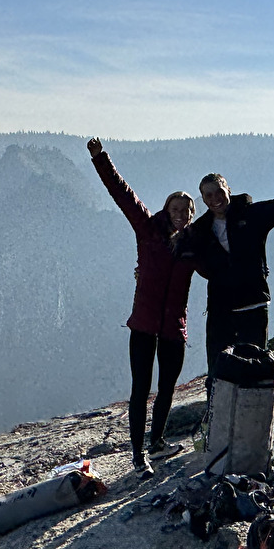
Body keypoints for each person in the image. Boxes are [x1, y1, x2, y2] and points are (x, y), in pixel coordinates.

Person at [88, 138, 197, 477]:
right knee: (140, 389)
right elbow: (122, 193)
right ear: (166, 210)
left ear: (192, 215)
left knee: (167, 388)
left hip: (174, 328)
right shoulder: (147, 229)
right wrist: (100, 158)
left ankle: (158, 442)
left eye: (186, 210)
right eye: (175, 209)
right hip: (144, 325)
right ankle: (138, 455)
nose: (179, 214)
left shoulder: (194, 245)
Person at [181, 142, 274, 394]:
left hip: (253, 306)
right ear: (202, 199)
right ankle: (215, 421)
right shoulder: (200, 230)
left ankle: (254, 419)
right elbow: (177, 255)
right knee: (217, 371)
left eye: (218, 192)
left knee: (253, 370)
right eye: (208, 195)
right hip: (221, 311)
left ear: (228, 190)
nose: (215, 199)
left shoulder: (253, 216)